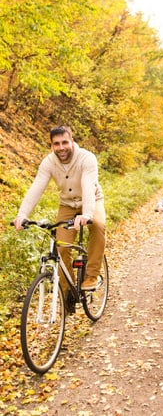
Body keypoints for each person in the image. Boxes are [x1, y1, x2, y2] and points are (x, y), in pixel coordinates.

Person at [12, 125, 106, 296]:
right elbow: (37, 188)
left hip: (92, 199)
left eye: (64, 142)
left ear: (72, 141)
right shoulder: (49, 163)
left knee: (98, 225)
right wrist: (22, 214)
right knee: (61, 247)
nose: (61, 147)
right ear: (51, 145)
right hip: (67, 205)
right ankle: (68, 292)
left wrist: (87, 213)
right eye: (56, 144)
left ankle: (92, 275)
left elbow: (87, 185)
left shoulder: (87, 158)